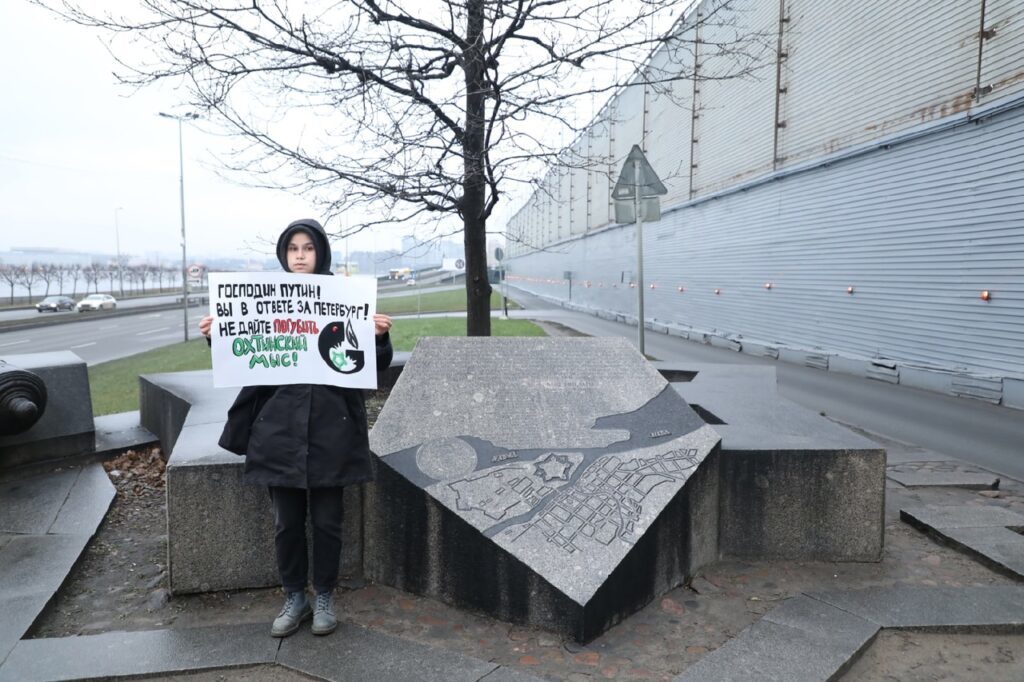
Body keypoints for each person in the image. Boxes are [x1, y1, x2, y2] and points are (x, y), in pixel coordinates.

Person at [199, 218, 393, 638]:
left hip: (331, 431)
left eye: (307, 248)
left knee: (327, 522)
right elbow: (246, 354)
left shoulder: (344, 299)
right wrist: (220, 336)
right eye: (293, 249)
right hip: (278, 434)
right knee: (286, 523)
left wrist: (377, 338)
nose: (300, 255)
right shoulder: (268, 301)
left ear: (320, 252)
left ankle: (323, 595)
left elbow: (367, 369)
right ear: (284, 255)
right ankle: (294, 597)